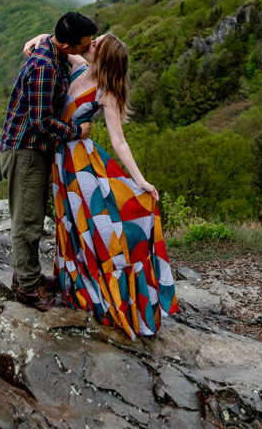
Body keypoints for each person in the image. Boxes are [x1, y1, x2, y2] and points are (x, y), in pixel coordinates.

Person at [24, 30, 178, 339]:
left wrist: (141, 181)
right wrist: (44, 36)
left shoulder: (106, 92)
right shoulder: (78, 63)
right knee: (68, 225)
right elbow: (36, 47)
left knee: (93, 229)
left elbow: (119, 142)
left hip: (81, 166)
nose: (89, 44)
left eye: (95, 44)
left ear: (103, 57)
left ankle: (111, 295)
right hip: (61, 161)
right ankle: (76, 285)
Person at [0, 11, 97, 312]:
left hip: (30, 149)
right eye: (85, 44)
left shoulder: (52, 52)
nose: (88, 47)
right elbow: (41, 122)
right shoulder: (45, 68)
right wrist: (76, 131)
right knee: (27, 222)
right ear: (67, 46)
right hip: (25, 151)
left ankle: (25, 275)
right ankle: (27, 291)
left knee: (32, 215)